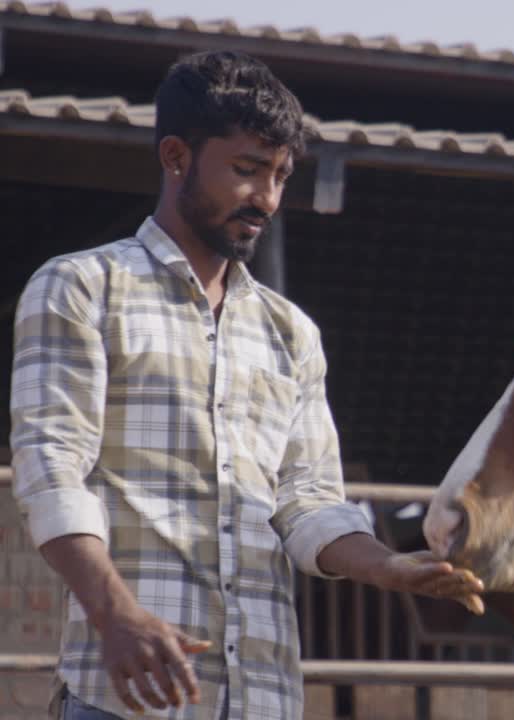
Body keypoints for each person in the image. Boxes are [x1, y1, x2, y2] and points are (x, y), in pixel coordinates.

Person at [9, 50, 483, 720]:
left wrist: (386, 567)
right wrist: (115, 615)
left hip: (264, 699)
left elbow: (307, 502)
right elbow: (51, 470)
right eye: (246, 169)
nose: (265, 198)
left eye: (281, 175)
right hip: (125, 699)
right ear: (176, 157)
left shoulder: (292, 333)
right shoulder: (83, 287)